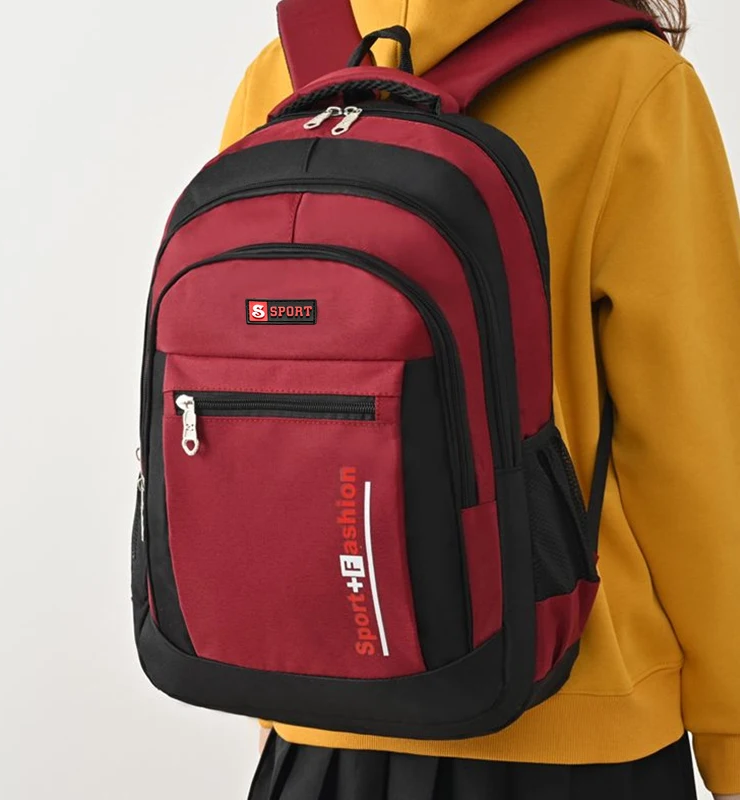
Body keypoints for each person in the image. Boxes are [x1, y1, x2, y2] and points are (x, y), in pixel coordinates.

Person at [220, 1, 740, 797]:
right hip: (573, 720)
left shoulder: (283, 75)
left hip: (318, 729)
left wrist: (289, 689)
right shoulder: (629, 82)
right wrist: (731, 735)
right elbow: (698, 451)